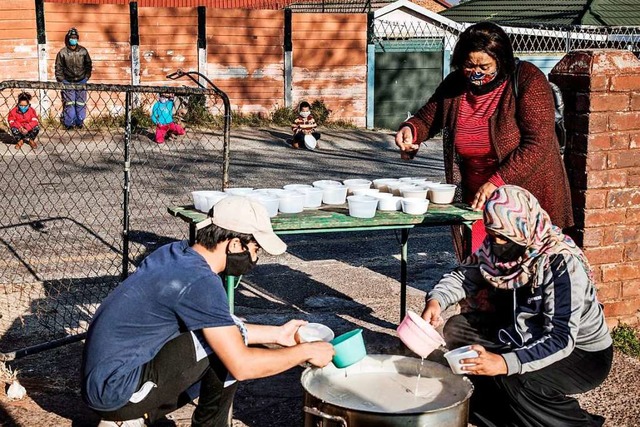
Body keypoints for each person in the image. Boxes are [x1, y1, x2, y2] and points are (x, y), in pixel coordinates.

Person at [81, 196, 334, 427]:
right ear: (235, 244)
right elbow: (243, 366)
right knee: (230, 350)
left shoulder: (176, 254)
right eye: (255, 250)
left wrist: (278, 335)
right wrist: (303, 351)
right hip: (116, 393)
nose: (255, 260)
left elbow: (223, 326)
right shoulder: (199, 282)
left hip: (106, 378)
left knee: (228, 336)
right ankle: (127, 420)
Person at [422, 185, 612, 427]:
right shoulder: (495, 247)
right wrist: (436, 300)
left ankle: (579, 423)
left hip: (582, 355)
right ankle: (505, 413)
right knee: (458, 328)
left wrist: (503, 363)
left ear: (523, 228)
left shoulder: (560, 262)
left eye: (503, 237)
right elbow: (465, 276)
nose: (497, 243)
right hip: (523, 333)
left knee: (515, 379)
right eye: (492, 234)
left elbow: (561, 337)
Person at [394, 22, 573, 261]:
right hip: (476, 197)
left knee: (525, 271)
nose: (476, 73)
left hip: (525, 196)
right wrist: (411, 130)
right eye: (469, 65)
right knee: (479, 267)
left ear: (501, 61)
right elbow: (429, 116)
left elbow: (537, 144)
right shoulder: (456, 83)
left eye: (484, 66)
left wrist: (497, 181)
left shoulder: (528, 79)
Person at [55, 27, 92, 129]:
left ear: (77, 38)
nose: (73, 39)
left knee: (81, 102)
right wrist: (62, 80)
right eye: (71, 37)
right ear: (68, 38)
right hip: (68, 81)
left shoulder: (83, 51)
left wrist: (86, 77)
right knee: (69, 103)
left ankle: (79, 122)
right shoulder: (62, 52)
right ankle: (69, 124)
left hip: (81, 81)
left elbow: (88, 64)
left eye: (75, 37)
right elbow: (58, 67)